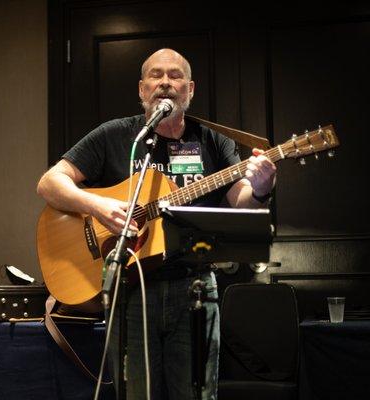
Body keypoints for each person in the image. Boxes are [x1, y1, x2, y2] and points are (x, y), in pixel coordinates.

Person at [37, 48, 276, 399]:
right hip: (132, 289)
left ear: (190, 89)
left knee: (195, 393)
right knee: (136, 393)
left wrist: (261, 187)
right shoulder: (117, 136)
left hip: (193, 288)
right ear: (141, 89)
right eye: (156, 75)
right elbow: (49, 183)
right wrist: (97, 206)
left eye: (176, 76)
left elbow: (241, 202)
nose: (165, 82)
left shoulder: (214, 142)